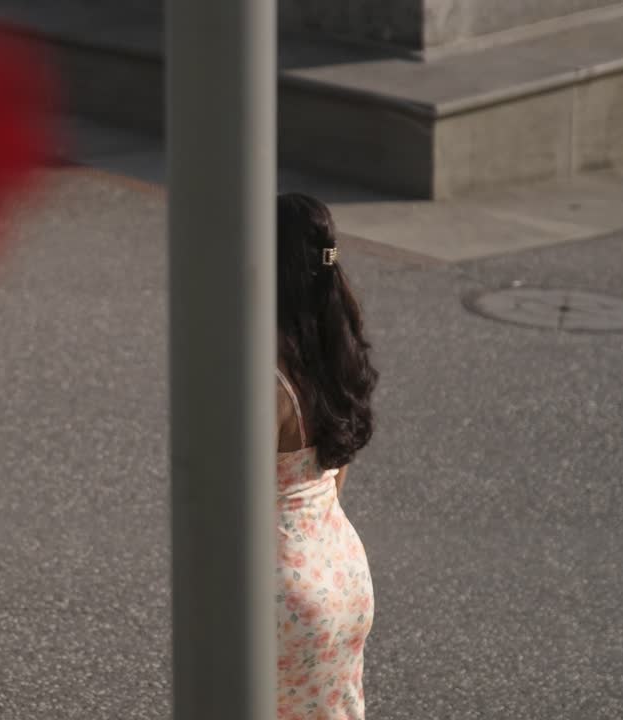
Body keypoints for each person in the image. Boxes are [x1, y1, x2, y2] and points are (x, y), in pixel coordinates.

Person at [274, 193, 379, 720]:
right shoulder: (330, 349)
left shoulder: (264, 374)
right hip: (339, 571)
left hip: (280, 590)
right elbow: (334, 472)